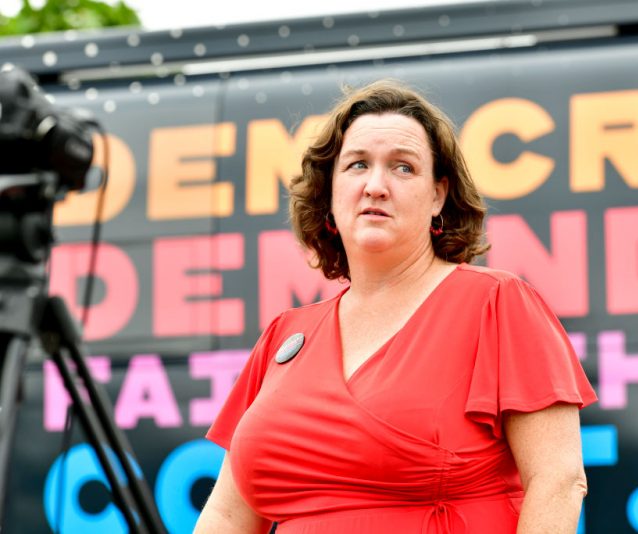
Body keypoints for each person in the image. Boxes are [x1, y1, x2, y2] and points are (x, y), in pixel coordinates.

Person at [195, 79, 597, 534]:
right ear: (329, 193)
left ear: (438, 196)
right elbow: (227, 514)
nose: (376, 185)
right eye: (357, 165)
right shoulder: (284, 336)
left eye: (403, 168)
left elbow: (558, 481)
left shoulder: (497, 303)